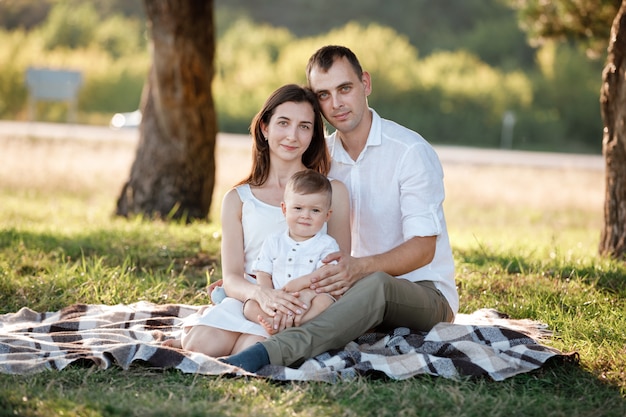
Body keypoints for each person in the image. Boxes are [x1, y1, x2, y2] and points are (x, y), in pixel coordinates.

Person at [221, 45, 459, 372]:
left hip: (422, 292)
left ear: (365, 84)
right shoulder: (323, 160)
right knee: (334, 292)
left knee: (375, 284)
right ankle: (258, 320)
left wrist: (359, 268)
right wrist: (248, 285)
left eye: (344, 88)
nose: (336, 104)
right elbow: (297, 228)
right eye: (323, 94)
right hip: (345, 290)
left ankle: (269, 353)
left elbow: (423, 249)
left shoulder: (409, 152)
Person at [164, 84, 351, 356]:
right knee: (200, 346)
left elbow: (337, 269)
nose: (292, 135)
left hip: (302, 303)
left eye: (304, 126)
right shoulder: (238, 199)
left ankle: (252, 340)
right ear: (265, 128)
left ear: (314, 135)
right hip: (252, 298)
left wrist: (301, 299)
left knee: (253, 350)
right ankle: (203, 331)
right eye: (283, 123)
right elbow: (232, 277)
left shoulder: (333, 192)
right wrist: (262, 295)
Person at [245, 169, 340, 335]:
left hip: (308, 300)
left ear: (327, 215)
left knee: (325, 301)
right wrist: (270, 298)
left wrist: (303, 285)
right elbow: (263, 272)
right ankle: (273, 321)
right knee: (249, 306)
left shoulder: (326, 244)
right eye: (298, 208)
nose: (306, 216)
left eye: (315, 210)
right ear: (284, 209)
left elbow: (327, 273)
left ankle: (299, 323)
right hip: (277, 298)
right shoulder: (274, 241)